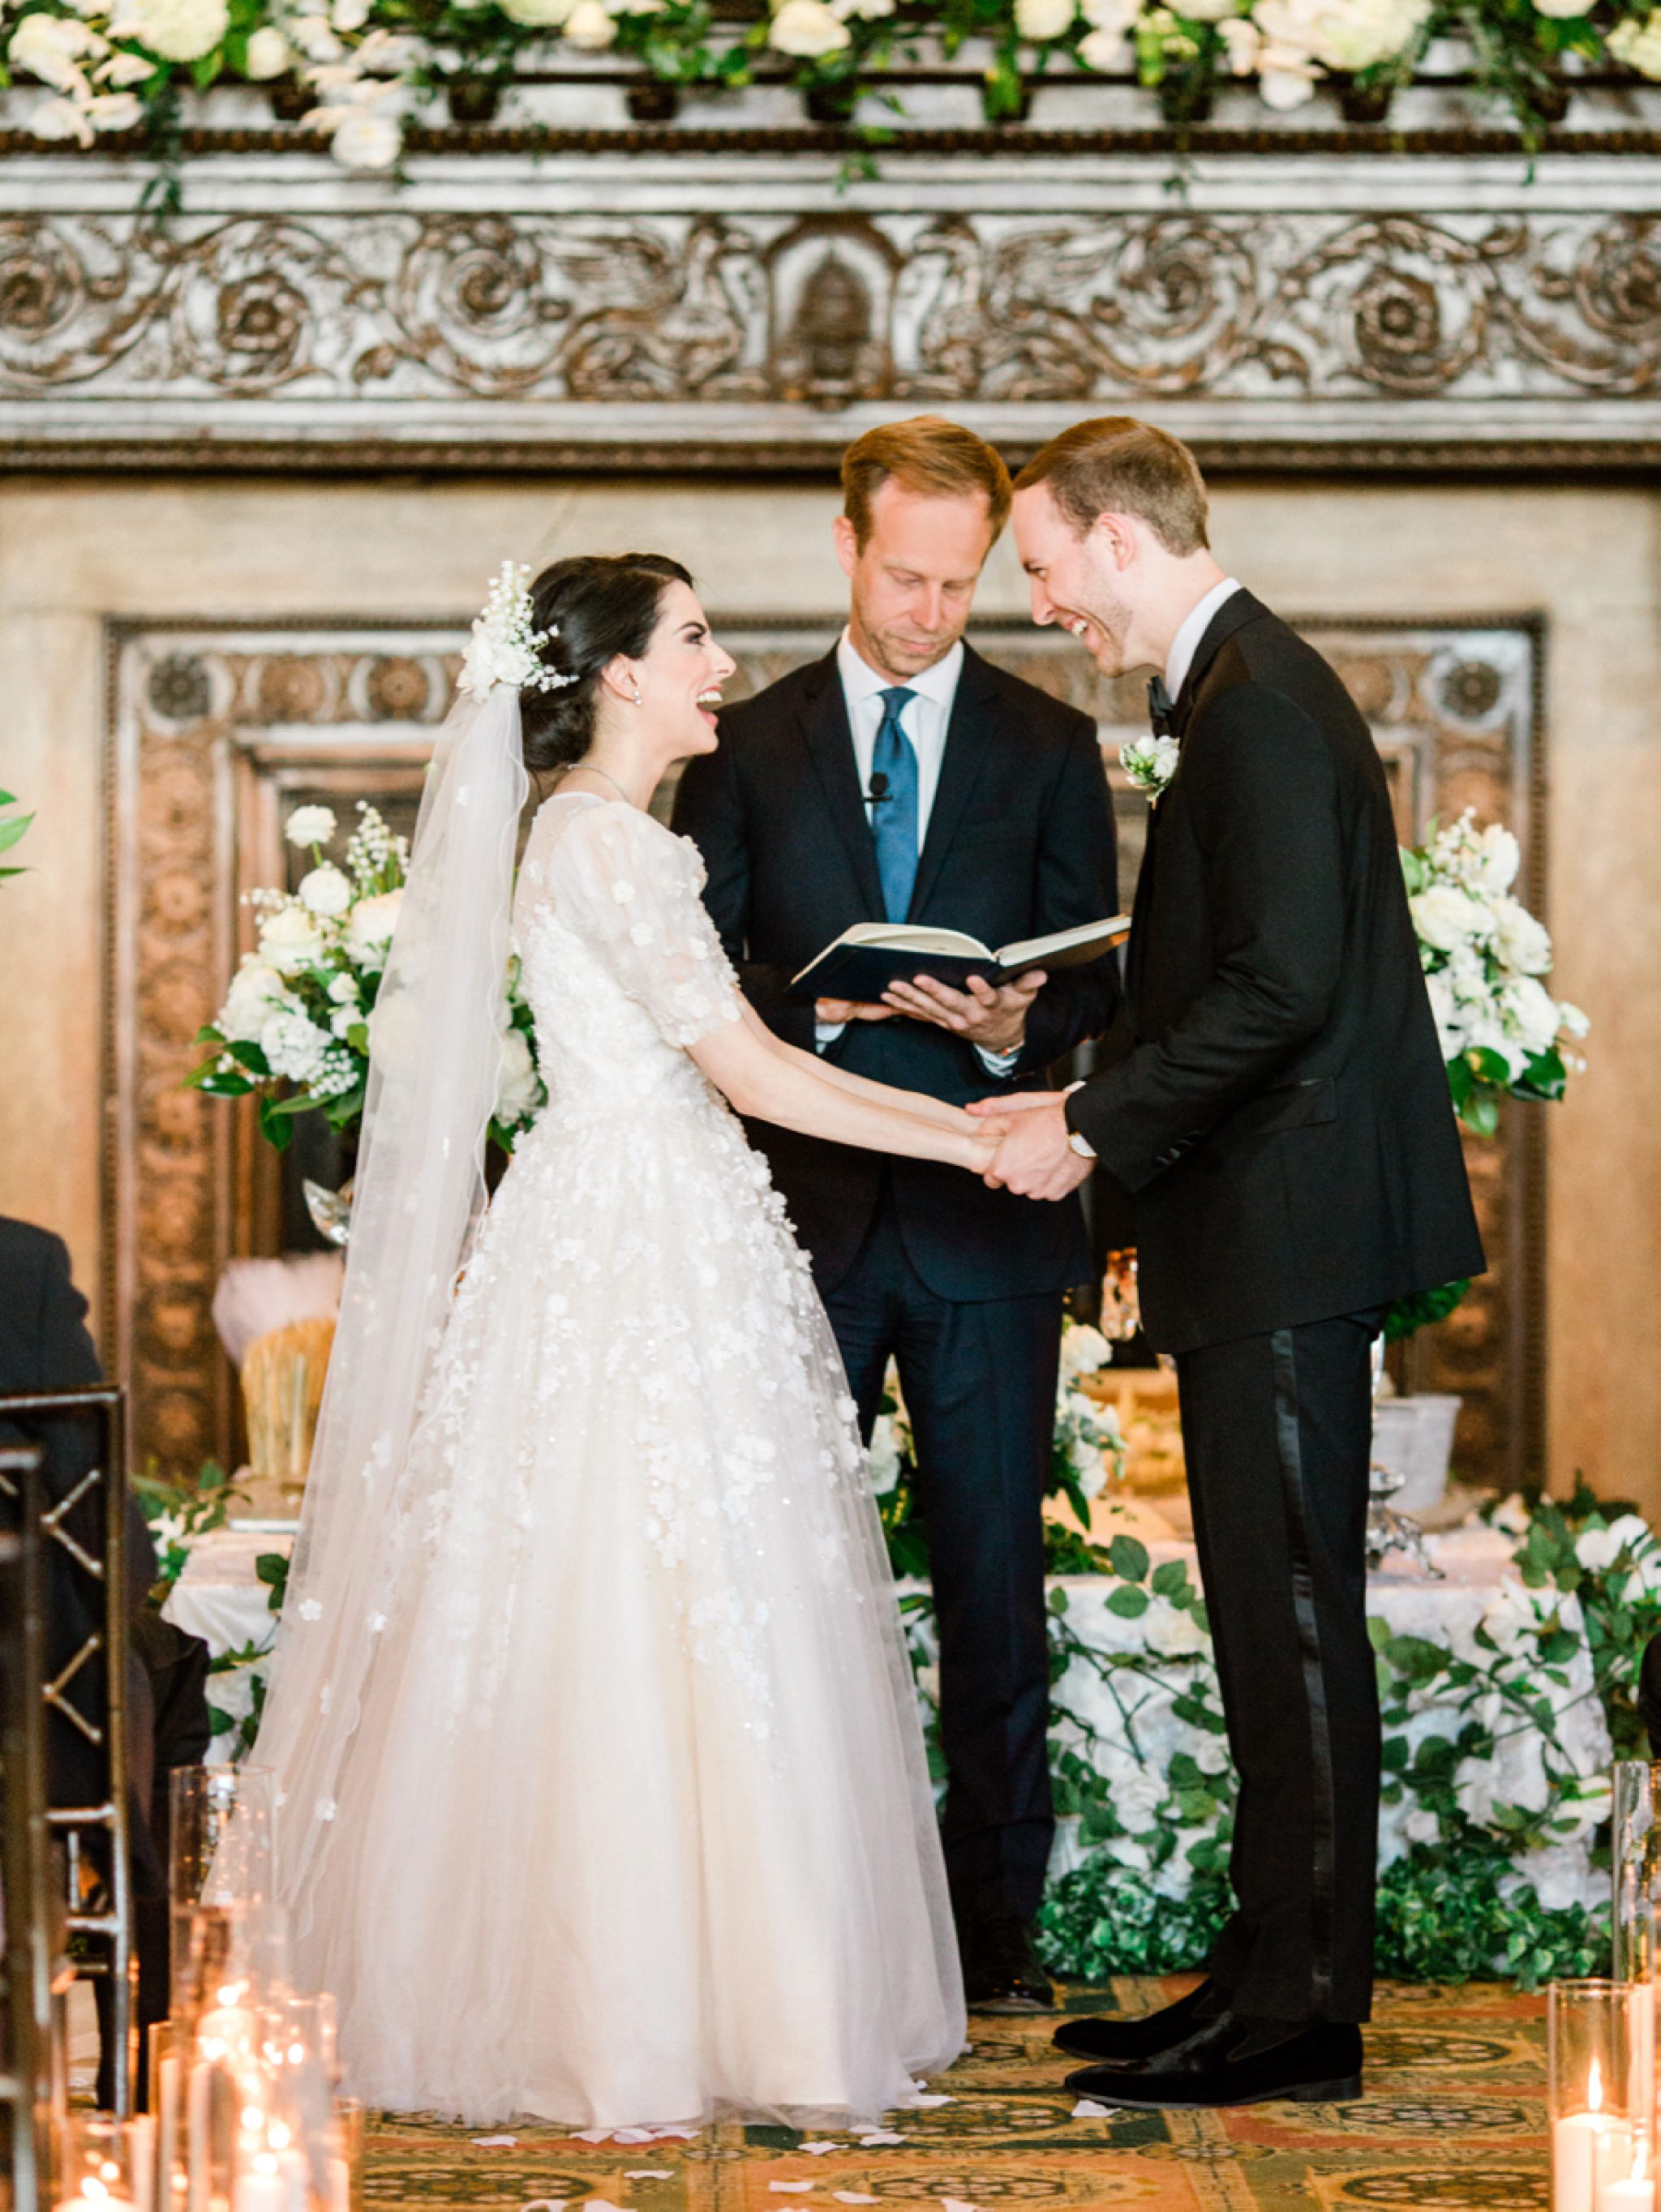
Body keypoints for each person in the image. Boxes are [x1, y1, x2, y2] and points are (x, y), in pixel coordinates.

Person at [252, 554, 994, 2128]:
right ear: (617, 675)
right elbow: (757, 1075)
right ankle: (657, 2009)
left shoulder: (589, 836)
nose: (721, 664)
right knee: (645, 1585)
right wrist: (975, 1136)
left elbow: (748, 1057)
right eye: (695, 638)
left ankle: (671, 1995)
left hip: (637, 1224)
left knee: (645, 1585)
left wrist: (942, 1108)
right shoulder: (608, 845)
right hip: (638, 1242)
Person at [975, 419, 1485, 2107]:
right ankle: (1265, 1976)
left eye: (1043, 568)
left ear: (1117, 540)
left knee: (1289, 1621)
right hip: (1264, 1226)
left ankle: (1302, 2017)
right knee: (1265, 1622)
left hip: (1287, 1230)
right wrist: (1071, 1074)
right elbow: (1227, 972)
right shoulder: (1241, 690)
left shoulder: (1256, 706)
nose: (1040, 605)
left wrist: (1090, 1122)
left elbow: (1280, 988)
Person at [672, 418, 1119, 2010]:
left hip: (986, 1220)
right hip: (797, 1221)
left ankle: (991, 1934)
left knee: (995, 1586)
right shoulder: (744, 737)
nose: (928, 610)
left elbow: (1098, 973)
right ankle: (790, 1919)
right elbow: (695, 956)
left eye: (957, 582)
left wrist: (1009, 1027)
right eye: (902, 577)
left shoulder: (1047, 740)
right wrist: (811, 1018)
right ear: (845, 546)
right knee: (782, 1575)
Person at [0, 1215, 212, 2109]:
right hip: (33, 1718)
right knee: (151, 1657)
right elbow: (109, 1539)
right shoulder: (18, 1266)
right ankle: (137, 2042)